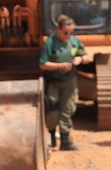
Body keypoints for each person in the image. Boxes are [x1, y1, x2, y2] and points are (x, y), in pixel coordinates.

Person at [39, 14, 91, 151]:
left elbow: (86, 56)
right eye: (66, 32)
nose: (68, 35)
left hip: (69, 81)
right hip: (53, 82)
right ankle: (51, 137)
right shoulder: (50, 43)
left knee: (67, 109)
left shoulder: (74, 41)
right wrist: (60, 66)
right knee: (52, 110)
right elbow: (43, 64)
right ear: (58, 29)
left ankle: (65, 140)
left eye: (71, 32)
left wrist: (80, 59)